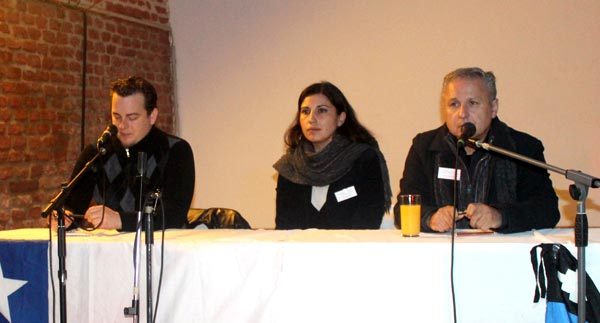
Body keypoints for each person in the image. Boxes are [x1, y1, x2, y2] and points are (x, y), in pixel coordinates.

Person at [394, 67, 560, 233]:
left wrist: (500, 216)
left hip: (503, 254)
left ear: (493, 107)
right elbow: (401, 211)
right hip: (441, 255)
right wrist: (431, 218)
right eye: (454, 104)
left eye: (472, 103)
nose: (462, 114)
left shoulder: (522, 148)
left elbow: (547, 210)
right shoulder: (424, 147)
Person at [60, 76, 195, 231]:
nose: (122, 125)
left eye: (132, 118)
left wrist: (120, 220)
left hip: (163, 251)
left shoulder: (176, 151)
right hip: (112, 252)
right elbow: (72, 210)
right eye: (116, 117)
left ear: (152, 116)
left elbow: (173, 217)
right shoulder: (96, 153)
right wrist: (63, 218)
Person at [273, 81, 392, 229]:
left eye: (321, 111)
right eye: (305, 111)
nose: (311, 119)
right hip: (300, 251)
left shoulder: (363, 159)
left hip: (350, 249)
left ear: (341, 118)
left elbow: (368, 220)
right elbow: (285, 227)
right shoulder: (290, 167)